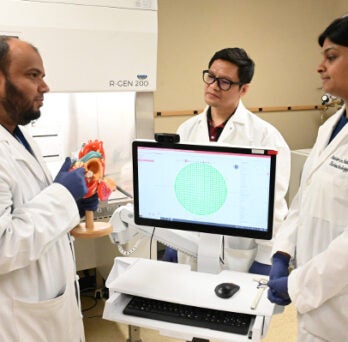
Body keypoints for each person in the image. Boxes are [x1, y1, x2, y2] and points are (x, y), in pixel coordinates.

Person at [0, 36, 97, 341]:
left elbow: (30, 209)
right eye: (33, 75)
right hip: (19, 323)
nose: (45, 87)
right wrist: (63, 195)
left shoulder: (18, 135)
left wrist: (73, 206)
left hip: (47, 306)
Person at [165, 48, 291, 275]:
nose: (213, 85)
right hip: (190, 245)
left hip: (239, 254)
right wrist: (174, 240)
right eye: (210, 77)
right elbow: (180, 192)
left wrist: (266, 258)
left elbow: (274, 206)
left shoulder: (266, 137)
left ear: (244, 89)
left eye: (224, 82)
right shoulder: (187, 129)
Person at [267, 15, 348, 341]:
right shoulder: (331, 126)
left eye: (331, 56)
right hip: (317, 309)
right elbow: (305, 197)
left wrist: (299, 284)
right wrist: (282, 253)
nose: (319, 66)